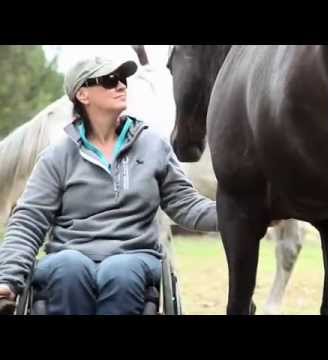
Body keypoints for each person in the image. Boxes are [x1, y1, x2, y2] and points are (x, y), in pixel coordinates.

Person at [0, 56, 217, 315]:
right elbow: (29, 220)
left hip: (134, 255)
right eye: (109, 81)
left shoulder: (153, 146)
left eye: (123, 80)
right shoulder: (57, 156)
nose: (121, 86)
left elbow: (186, 204)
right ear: (83, 94)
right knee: (69, 267)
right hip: (71, 252)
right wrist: (8, 277)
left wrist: (239, 215)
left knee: (120, 271)